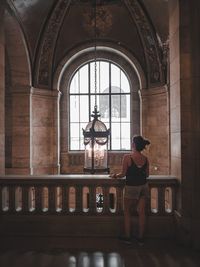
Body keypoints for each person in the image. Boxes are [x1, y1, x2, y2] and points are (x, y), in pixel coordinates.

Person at [110, 135, 150, 245]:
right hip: (143, 187)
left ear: (133, 145)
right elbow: (147, 174)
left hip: (131, 187)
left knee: (127, 212)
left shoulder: (127, 157)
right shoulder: (145, 159)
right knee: (141, 213)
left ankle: (128, 237)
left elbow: (122, 174)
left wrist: (115, 175)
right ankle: (141, 238)